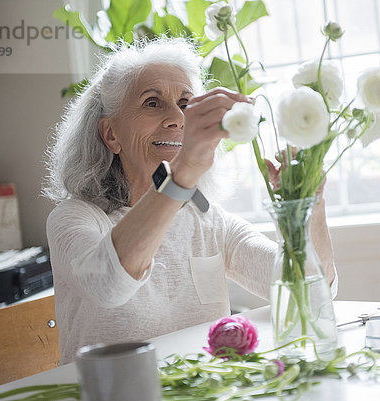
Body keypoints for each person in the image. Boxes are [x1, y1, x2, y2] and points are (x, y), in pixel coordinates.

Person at [43, 38, 337, 364]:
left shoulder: (210, 221)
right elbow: (108, 285)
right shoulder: (76, 218)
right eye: (152, 103)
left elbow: (308, 292)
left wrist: (308, 203)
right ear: (111, 134)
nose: (177, 119)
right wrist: (183, 172)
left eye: (185, 104)